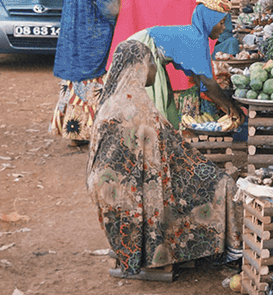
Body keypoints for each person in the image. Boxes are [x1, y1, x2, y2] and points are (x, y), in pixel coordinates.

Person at [88, 39, 243, 281]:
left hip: (108, 191)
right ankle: (218, 252)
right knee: (221, 184)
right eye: (151, 64)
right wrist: (209, 171)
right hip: (135, 190)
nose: (154, 70)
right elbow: (172, 153)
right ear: (138, 67)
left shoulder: (111, 101)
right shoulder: (138, 107)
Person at [129, 0, 245, 128]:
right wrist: (232, 106)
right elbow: (207, 82)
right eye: (221, 23)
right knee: (154, 107)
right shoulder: (196, 40)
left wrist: (227, 107)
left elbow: (201, 82)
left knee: (165, 103)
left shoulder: (198, 37)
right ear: (210, 21)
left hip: (146, 50)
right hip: (143, 49)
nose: (224, 28)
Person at [50, 0, 121, 145]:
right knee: (95, 82)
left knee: (77, 83)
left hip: (79, 37)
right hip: (95, 38)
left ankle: (76, 132)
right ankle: (91, 132)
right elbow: (111, 9)